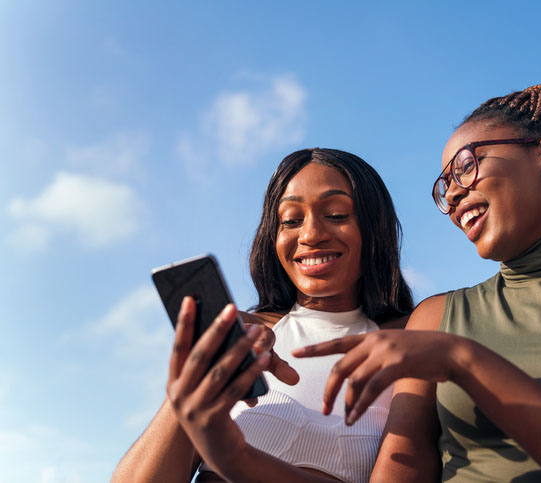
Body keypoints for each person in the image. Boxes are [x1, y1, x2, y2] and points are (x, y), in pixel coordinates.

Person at [294, 80, 541, 482]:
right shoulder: (437, 318)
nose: (454, 196)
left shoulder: (444, 345)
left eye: (465, 167)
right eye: (445, 187)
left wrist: (463, 361)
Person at [111, 148, 413, 482]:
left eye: (337, 214)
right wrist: (187, 393)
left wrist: (235, 456)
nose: (311, 235)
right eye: (291, 220)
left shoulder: (410, 343)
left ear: (375, 227)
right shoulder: (244, 335)